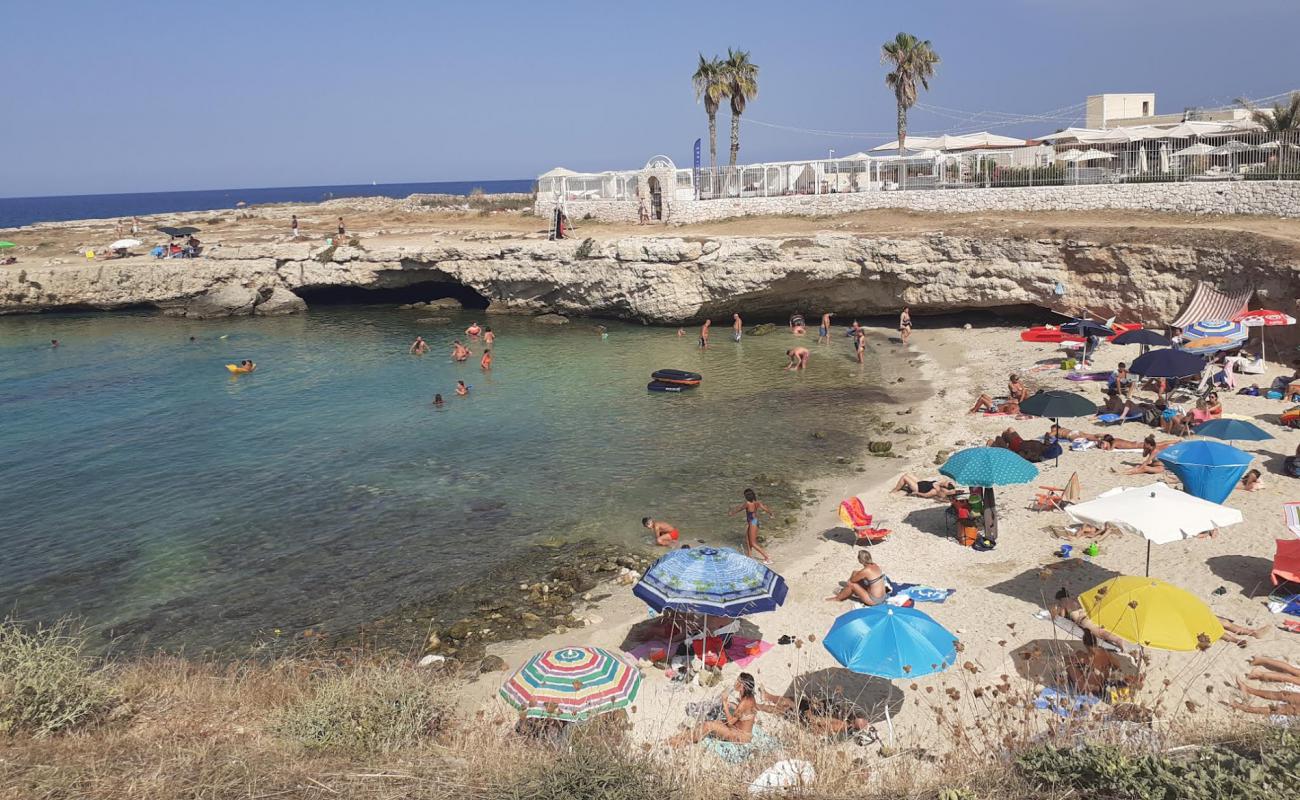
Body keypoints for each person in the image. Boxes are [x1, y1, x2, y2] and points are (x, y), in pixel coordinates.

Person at [668, 673, 758, 747]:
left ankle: (677, 741)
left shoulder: (744, 703)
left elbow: (730, 722)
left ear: (743, 686)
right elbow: (744, 714)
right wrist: (733, 705)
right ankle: (681, 738)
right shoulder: (749, 698)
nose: (735, 683)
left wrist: (724, 702)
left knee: (709, 725)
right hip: (741, 731)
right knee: (714, 722)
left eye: (738, 681)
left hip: (740, 736)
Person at [756, 689, 873, 738]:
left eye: (852, 715)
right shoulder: (846, 722)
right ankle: (767, 696)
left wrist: (811, 707)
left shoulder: (840, 723)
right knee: (794, 701)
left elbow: (813, 720)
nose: (849, 712)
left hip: (809, 722)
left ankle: (758, 706)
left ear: (851, 722)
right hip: (815, 718)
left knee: (785, 709)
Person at [1048, 589, 1130, 650]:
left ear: (1059, 598)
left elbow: (1062, 615)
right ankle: (1118, 638)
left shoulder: (1063, 602)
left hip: (1083, 620)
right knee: (1101, 629)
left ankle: (1118, 640)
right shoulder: (1075, 599)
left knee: (1100, 633)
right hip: (1089, 614)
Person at [1065, 630, 1124, 696]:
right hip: (1103, 684)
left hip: (1088, 687)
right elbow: (1118, 665)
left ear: (1085, 643)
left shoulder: (1083, 656)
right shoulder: (1106, 653)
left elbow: (1071, 662)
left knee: (1070, 668)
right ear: (1096, 642)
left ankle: (1093, 688)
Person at [730, 488, 772, 564]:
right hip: (755, 522)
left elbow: (740, 508)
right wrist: (771, 513)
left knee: (753, 543)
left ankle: (767, 557)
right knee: (747, 539)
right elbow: (765, 508)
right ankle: (749, 556)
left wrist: (732, 513)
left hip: (753, 523)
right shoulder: (757, 503)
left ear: (747, 496)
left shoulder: (747, 504)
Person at [890, 473, 957, 500]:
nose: (945, 482)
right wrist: (949, 484)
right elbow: (949, 484)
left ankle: (895, 490)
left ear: (944, 488)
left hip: (918, 488)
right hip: (921, 483)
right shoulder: (940, 485)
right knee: (907, 474)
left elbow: (926, 495)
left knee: (904, 477)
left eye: (946, 484)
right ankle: (901, 486)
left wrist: (916, 493)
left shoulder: (935, 490)